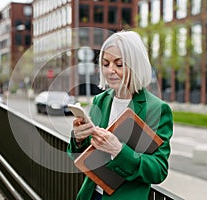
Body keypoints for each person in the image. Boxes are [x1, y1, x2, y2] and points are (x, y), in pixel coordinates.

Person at [67, 30, 173, 200]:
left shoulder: (156, 109)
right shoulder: (99, 101)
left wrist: (118, 150)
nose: (110, 70)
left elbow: (159, 170)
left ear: (135, 65)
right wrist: (79, 139)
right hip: (91, 195)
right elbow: (80, 156)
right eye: (106, 63)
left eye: (119, 64)